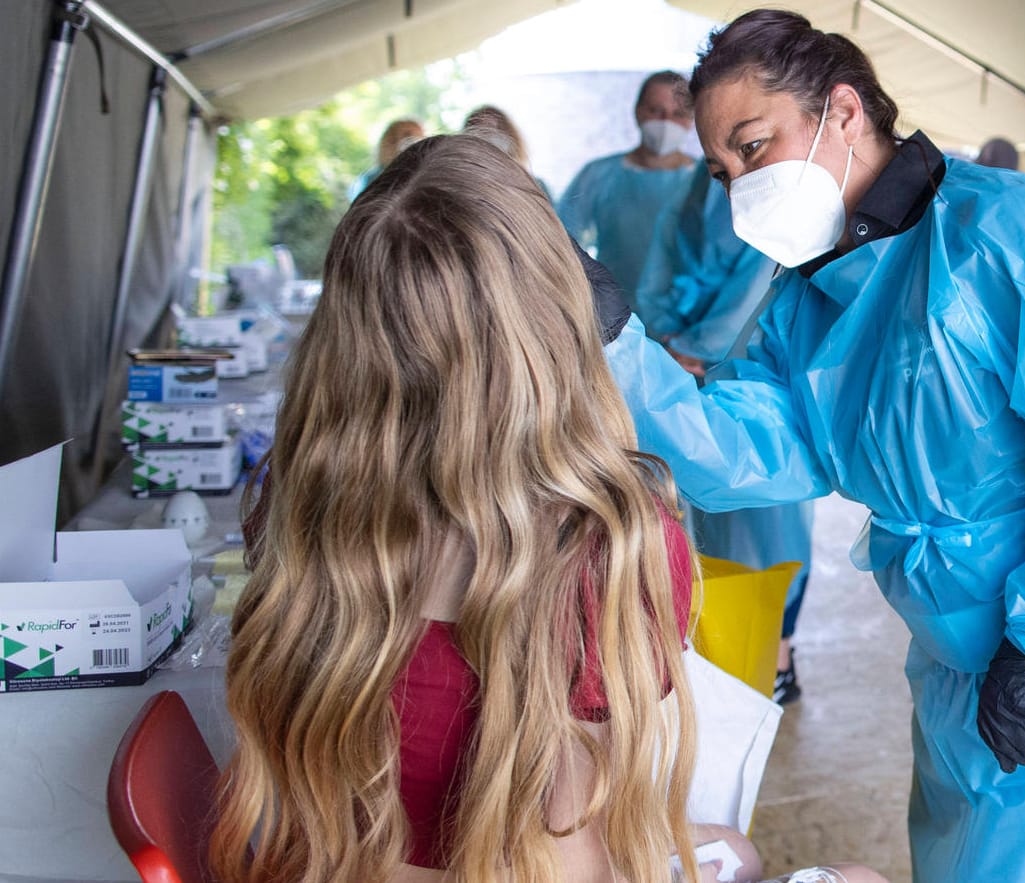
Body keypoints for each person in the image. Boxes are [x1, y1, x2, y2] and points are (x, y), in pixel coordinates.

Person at [605, 10, 1025, 882]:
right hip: (962, 650)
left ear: (843, 112)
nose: (739, 188)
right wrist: (614, 345)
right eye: (723, 169)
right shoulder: (809, 296)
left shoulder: (1018, 234)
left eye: (754, 147)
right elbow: (750, 449)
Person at [214, 134, 885, 883]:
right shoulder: (605, 544)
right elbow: (565, 856)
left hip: (335, 859)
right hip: (508, 864)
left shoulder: (292, 495)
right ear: (556, 314)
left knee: (736, 844)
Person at [635, 171, 816, 703]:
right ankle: (735, 654)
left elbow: (760, 299)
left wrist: (687, 349)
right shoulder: (688, 200)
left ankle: (776, 655)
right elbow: (658, 276)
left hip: (749, 386)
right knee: (710, 530)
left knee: (773, 532)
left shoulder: (774, 213)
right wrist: (670, 344)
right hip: (689, 380)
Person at [559, 71, 701, 298]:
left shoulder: (704, 182)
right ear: (638, 111)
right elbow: (561, 241)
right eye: (656, 111)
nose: (666, 122)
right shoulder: (598, 175)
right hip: (613, 313)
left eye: (678, 113)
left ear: (692, 119)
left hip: (684, 319)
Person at [462, 104, 553, 201]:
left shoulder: (535, 187)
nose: (489, 142)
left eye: (495, 133)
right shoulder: (461, 188)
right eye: (481, 133)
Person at [349, 118, 424, 200]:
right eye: (407, 136)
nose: (412, 144)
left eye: (418, 139)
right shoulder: (370, 180)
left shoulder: (425, 177)